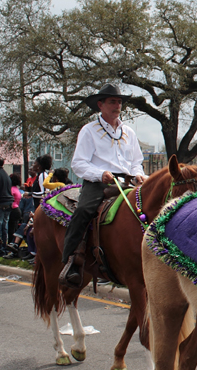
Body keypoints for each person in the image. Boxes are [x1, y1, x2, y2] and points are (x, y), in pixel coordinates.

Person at [60, 84, 146, 287]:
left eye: (119, 102)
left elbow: (136, 161)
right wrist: (100, 174)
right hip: (99, 183)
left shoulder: (129, 132)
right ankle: (71, 259)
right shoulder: (89, 131)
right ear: (100, 105)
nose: (117, 105)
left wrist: (139, 174)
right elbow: (78, 163)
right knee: (83, 210)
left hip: (127, 182)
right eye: (112, 102)